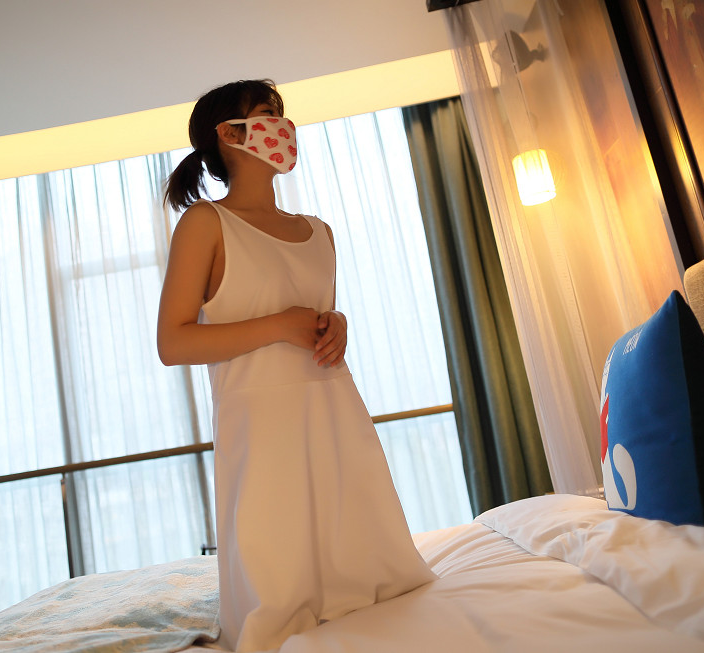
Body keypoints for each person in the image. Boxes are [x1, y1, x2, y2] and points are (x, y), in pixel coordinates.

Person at [157, 79, 436, 652]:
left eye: (282, 115)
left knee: (368, 570)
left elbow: (316, 320)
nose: (283, 126)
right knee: (278, 585)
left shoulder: (319, 232)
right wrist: (278, 325)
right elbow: (173, 343)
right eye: (268, 113)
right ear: (230, 134)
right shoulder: (205, 222)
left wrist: (339, 324)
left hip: (333, 410)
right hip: (261, 430)